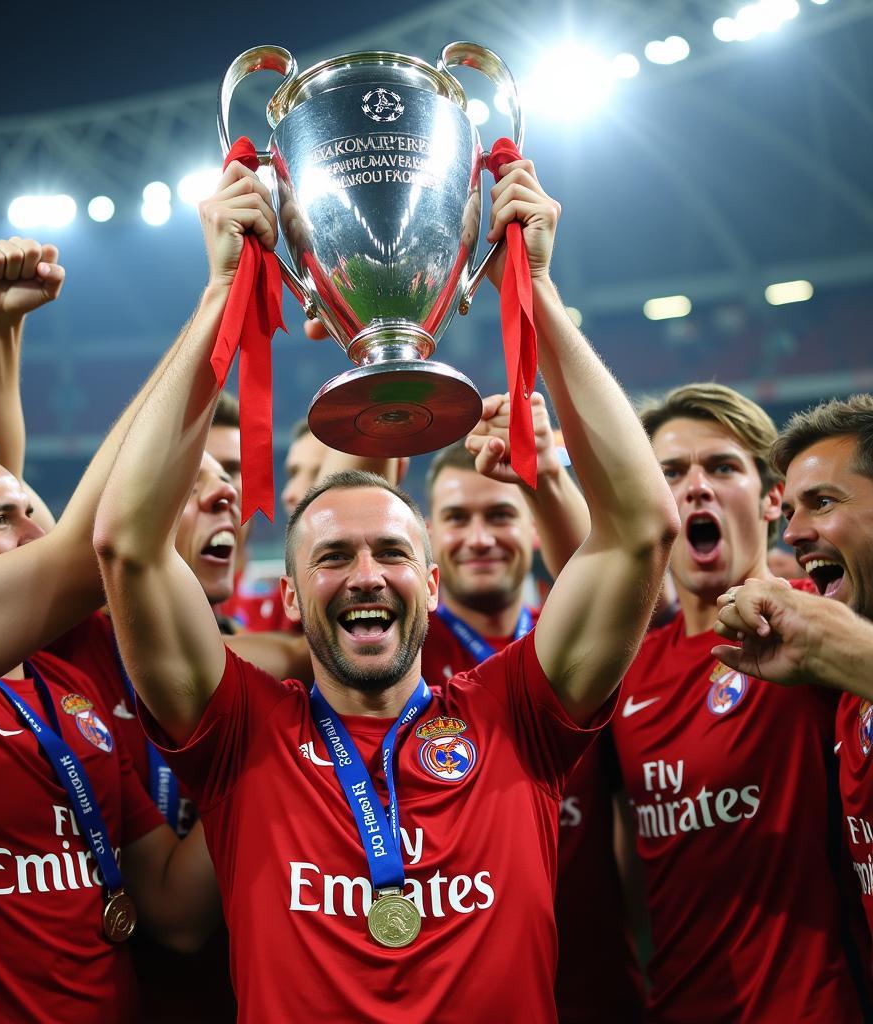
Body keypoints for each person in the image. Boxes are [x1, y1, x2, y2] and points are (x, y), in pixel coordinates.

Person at [94, 156, 677, 1020]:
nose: (365, 574)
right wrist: (222, 293)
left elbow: (640, 529)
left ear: (431, 583)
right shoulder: (241, 735)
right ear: (288, 597)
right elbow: (126, 545)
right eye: (331, 559)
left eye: (391, 554)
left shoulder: (514, 712)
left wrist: (538, 291)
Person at [0, 239, 235, 1024]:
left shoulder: (71, 681)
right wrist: (218, 304)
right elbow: (82, 549)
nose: (34, 526)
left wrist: (259, 768)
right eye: (6, 520)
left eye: (35, 508)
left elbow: (171, 907)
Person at [609, 382, 868, 1021]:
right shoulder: (625, 669)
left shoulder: (827, 611)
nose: (696, 485)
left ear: (771, 498)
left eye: (721, 466)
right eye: (670, 471)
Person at [424, 407, 644, 1023]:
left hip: (598, 989)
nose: (480, 537)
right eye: (456, 518)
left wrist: (546, 470)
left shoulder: (575, 641)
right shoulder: (398, 657)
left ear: (533, 526)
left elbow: (618, 561)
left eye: (500, 514)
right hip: (461, 998)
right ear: (428, 537)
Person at [712, 394, 873, 971]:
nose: (795, 534)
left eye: (823, 503)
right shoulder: (844, 693)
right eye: (792, 515)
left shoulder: (848, 657)